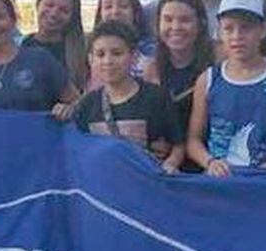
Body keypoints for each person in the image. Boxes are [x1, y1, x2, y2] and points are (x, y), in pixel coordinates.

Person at [185, 0, 266, 176]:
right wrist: (210, 162)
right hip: (221, 182)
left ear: (263, 30)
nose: (237, 36)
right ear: (219, 32)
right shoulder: (208, 79)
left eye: (246, 28)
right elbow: (193, 140)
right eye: (229, 28)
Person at [74, 22, 184, 171]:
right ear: (90, 59)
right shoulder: (87, 105)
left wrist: (170, 165)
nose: (108, 61)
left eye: (117, 53)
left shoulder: (156, 97)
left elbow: (179, 144)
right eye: (100, 54)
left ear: (134, 57)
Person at [143, 0, 215, 142]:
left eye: (185, 20)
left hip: (209, 155)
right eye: (168, 19)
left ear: (201, 23)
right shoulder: (152, 69)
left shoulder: (218, 61)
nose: (175, 27)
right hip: (169, 155)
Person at [23, 0, 89, 91]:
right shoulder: (20, 46)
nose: (54, 14)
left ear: (72, 17)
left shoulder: (84, 50)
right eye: (49, 5)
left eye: (64, 10)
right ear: (38, 4)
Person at [93, 0, 153, 76]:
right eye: (108, 7)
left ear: (135, 13)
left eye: (123, 6)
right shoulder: (89, 49)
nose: (115, 11)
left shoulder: (151, 49)